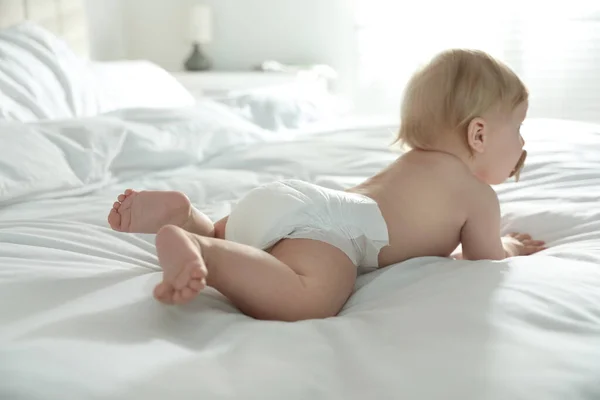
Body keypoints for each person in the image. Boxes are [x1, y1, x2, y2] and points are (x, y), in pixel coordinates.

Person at [107, 49, 545, 321]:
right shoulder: (477, 196)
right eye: (520, 127)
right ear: (480, 135)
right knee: (311, 296)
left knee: (250, 237)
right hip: (334, 232)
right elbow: (485, 256)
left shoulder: (411, 163)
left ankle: (194, 221)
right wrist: (510, 245)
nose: (523, 142)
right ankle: (206, 252)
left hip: (289, 199)